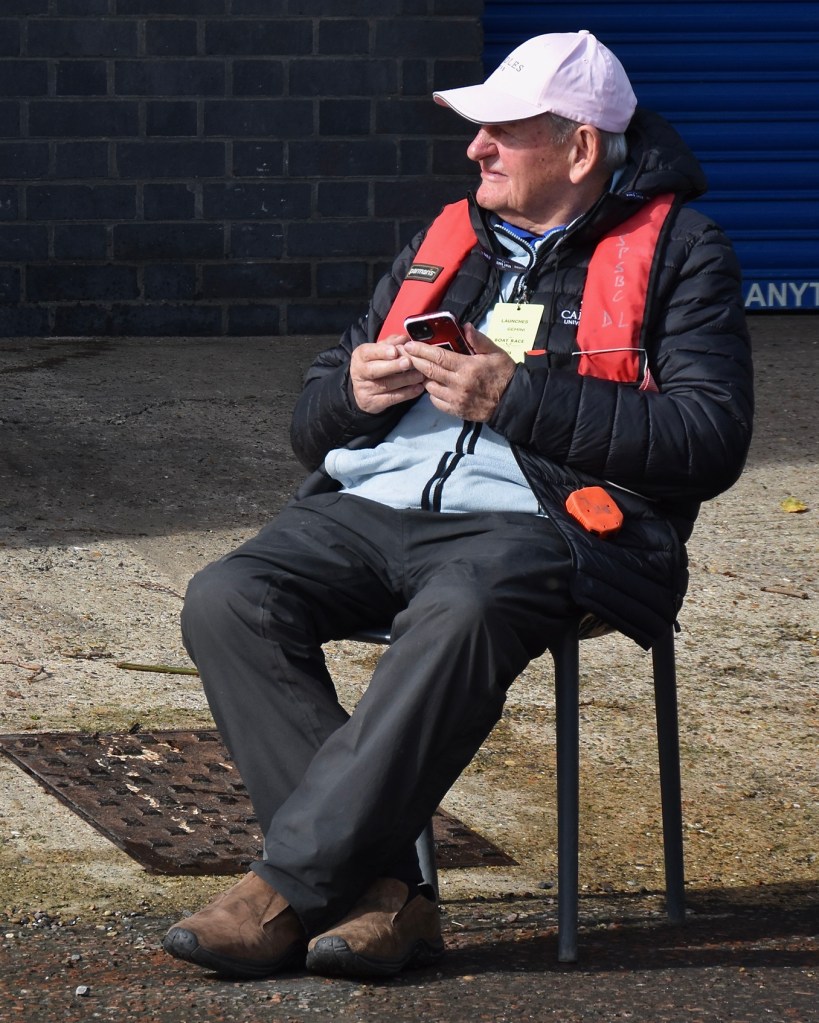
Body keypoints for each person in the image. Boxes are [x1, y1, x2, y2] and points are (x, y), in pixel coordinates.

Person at [162, 30, 753, 980]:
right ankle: (385, 895)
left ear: (579, 148)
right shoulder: (445, 237)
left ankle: (285, 888)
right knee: (228, 596)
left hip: (541, 525)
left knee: (464, 604)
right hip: (373, 506)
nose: (474, 148)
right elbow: (310, 424)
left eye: (500, 131)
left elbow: (707, 439)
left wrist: (516, 398)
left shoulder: (684, 250)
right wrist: (352, 391)